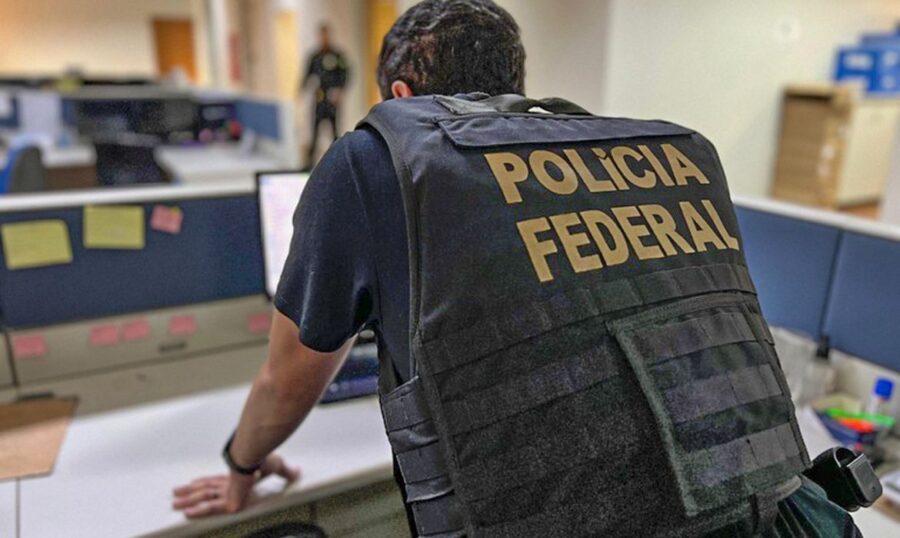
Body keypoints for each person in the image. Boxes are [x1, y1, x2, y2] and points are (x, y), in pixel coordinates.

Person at [174, 1, 866, 536]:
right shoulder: (678, 154)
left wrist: (241, 464)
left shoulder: (377, 160)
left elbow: (288, 377)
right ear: (515, 84)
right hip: (765, 516)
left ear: (401, 97)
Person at [301, 23, 348, 170]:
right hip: (319, 99)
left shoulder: (337, 56)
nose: (324, 38)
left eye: (326, 35)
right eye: (322, 35)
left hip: (332, 101)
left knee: (335, 132)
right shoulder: (315, 57)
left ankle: (339, 164)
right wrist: (301, 91)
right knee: (315, 133)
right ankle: (309, 165)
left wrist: (340, 90)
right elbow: (307, 75)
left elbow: (345, 73)